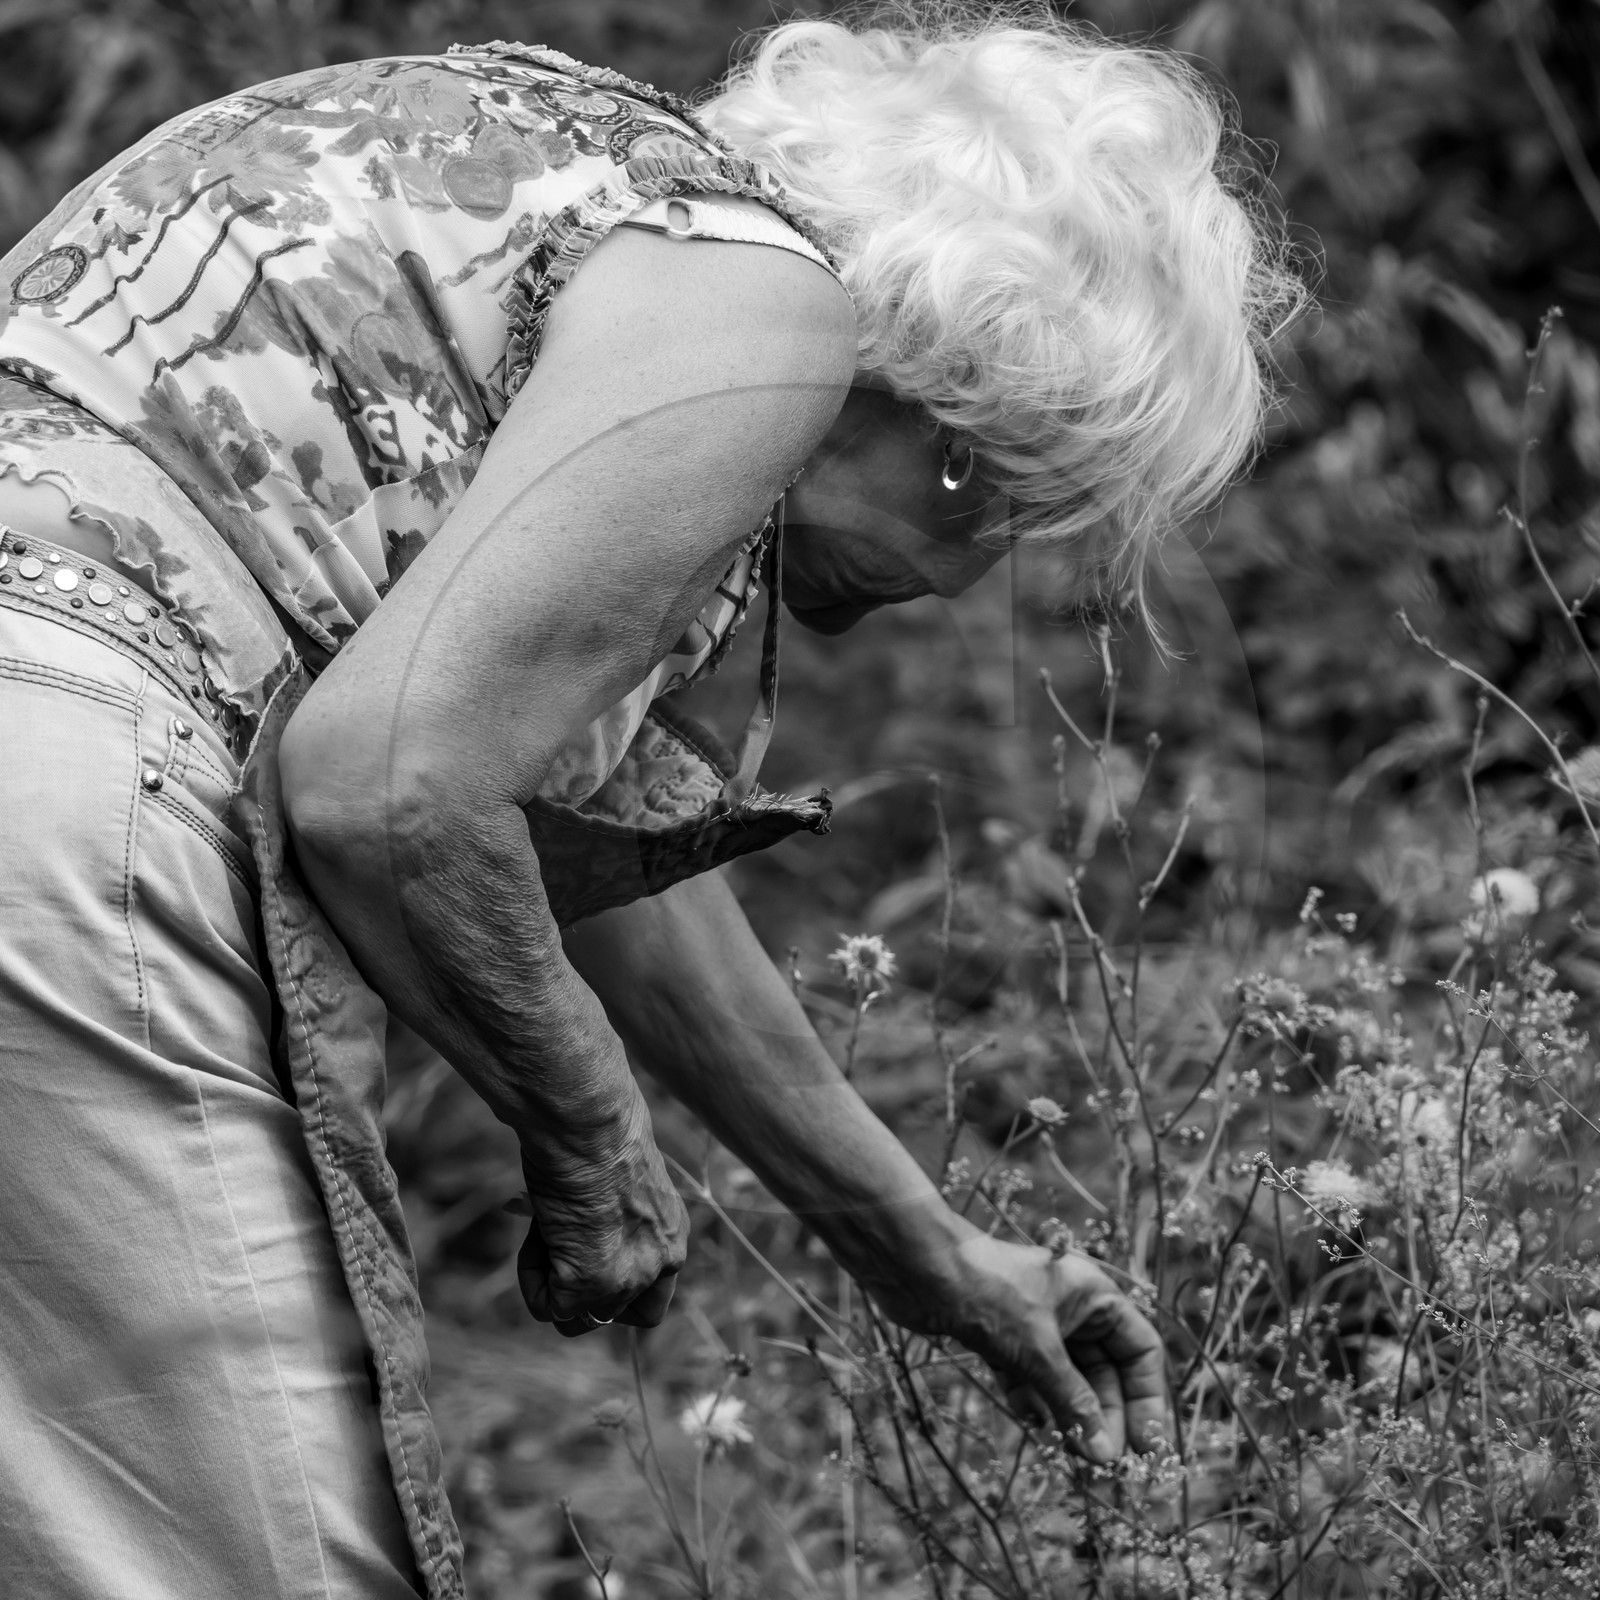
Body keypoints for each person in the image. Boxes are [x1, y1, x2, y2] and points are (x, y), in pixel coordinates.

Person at [0, 8, 1298, 1596]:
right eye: (1011, 519)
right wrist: (594, 1138)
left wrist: (929, 1254)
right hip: (62, 798)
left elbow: (552, 832)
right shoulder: (762, 309)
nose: (963, 590)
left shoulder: (562, 187)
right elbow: (390, 787)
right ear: (965, 426)